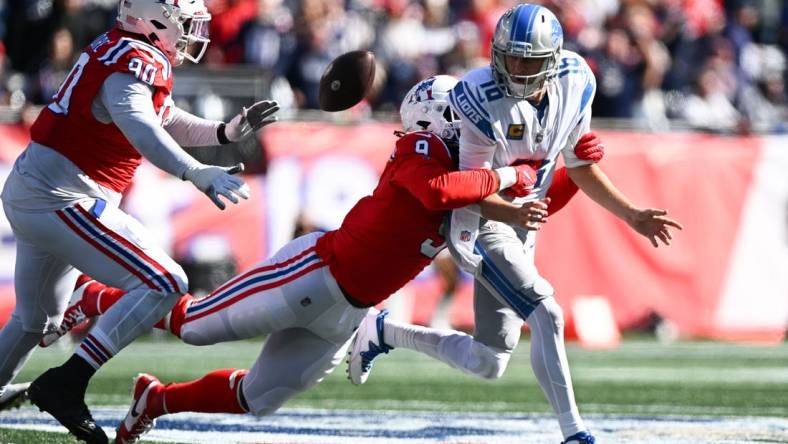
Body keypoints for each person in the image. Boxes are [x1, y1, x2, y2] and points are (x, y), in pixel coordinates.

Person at [41, 74, 599, 443]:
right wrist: (506, 173)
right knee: (193, 325)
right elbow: (438, 193)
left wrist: (570, 169)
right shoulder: (421, 149)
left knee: (257, 398)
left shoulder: (473, 173)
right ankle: (96, 297)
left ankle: (156, 400)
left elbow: (529, 208)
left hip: (347, 312)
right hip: (314, 271)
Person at [348, 5, 683, 444]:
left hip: (522, 220)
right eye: (511, 57)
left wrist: (632, 213)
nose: (518, 68)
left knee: (489, 361)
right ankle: (574, 432)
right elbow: (473, 190)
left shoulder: (577, 79)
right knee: (548, 312)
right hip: (481, 223)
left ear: (553, 58)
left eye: (530, 60)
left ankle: (384, 331)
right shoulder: (478, 94)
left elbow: (579, 167)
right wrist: (512, 212)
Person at [0, 0, 279, 442]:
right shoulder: (136, 59)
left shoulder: (122, 49)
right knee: (165, 281)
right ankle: (67, 382)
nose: (191, 33)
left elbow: (163, 118)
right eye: (185, 22)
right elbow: (143, 129)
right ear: (155, 19)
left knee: (35, 321)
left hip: (39, 186)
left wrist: (223, 132)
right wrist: (195, 172)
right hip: (64, 195)